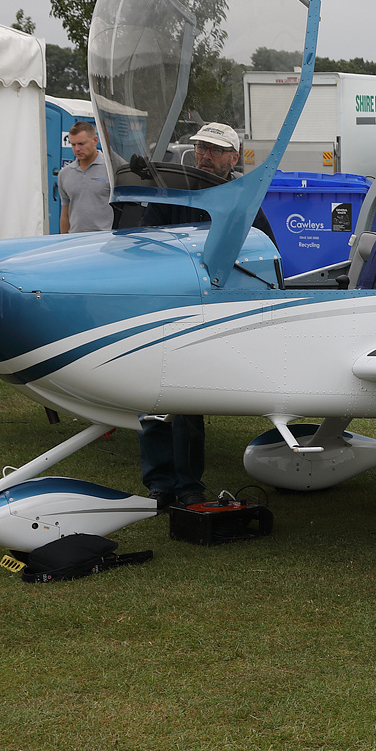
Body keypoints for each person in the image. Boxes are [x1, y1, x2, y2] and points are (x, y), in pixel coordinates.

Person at [139, 122, 270, 509]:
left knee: (187, 403)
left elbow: (265, 254)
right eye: (200, 148)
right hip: (165, 304)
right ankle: (159, 483)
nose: (204, 156)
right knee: (152, 400)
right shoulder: (170, 192)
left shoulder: (246, 201)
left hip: (210, 312)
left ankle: (187, 484)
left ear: (234, 157)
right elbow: (146, 242)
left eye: (214, 150)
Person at [57, 122, 112, 233]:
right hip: (75, 241)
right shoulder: (64, 174)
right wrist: (63, 240)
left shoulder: (111, 170)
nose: (77, 149)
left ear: (95, 141)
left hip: (104, 240)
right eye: (73, 144)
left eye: (81, 144)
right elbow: (65, 213)